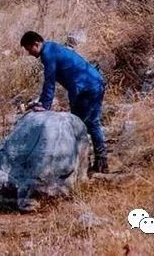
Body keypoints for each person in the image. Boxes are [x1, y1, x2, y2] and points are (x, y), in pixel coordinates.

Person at [20, 31, 109, 174]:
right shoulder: (52, 49)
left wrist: (45, 105)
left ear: (36, 44)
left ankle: (101, 162)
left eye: (29, 49)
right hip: (85, 86)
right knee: (78, 123)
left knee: (91, 123)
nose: (29, 53)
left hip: (88, 86)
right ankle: (85, 162)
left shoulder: (48, 54)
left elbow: (49, 81)